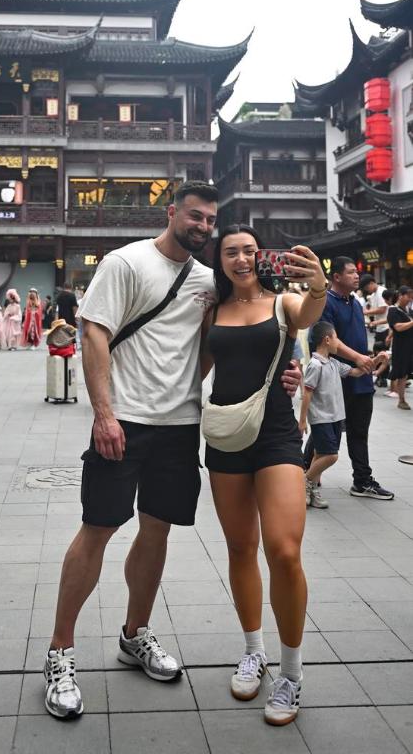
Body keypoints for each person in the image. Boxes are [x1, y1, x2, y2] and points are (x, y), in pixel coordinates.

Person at [42, 183, 301, 722]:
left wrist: (285, 372)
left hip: (181, 425)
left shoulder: (209, 281)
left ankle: (134, 634)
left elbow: (228, 341)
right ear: (172, 213)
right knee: (98, 529)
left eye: (210, 220)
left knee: (156, 530)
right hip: (124, 421)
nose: (203, 226)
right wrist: (104, 413)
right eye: (194, 216)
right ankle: (60, 652)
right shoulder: (126, 262)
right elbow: (94, 335)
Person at [200, 226, 327, 726]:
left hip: (275, 434)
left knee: (284, 550)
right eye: (230, 252)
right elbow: (197, 368)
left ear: (260, 256)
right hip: (226, 436)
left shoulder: (282, 304)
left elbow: (308, 313)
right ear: (220, 260)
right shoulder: (213, 310)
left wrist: (317, 284)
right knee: (239, 548)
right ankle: (254, 650)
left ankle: (291, 673)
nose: (241, 259)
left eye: (249, 251)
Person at [307, 256, 394, 499]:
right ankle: (305, 473)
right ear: (336, 277)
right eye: (351, 272)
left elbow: (356, 338)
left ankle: (362, 481)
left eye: (356, 272)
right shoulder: (326, 302)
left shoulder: (354, 302)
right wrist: (357, 358)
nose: (357, 276)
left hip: (361, 378)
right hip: (336, 378)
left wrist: (372, 358)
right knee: (325, 429)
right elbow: (330, 341)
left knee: (359, 431)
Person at [299, 321, 380, 509]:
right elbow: (307, 393)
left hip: (335, 417)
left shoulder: (334, 363)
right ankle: (304, 481)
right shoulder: (315, 365)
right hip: (321, 418)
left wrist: (377, 360)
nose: (338, 342)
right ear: (327, 340)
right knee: (331, 456)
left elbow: (356, 372)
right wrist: (302, 420)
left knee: (319, 455)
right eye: (336, 338)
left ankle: (311, 491)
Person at [387, 286, 413, 411]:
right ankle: (401, 400)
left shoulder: (408, 310)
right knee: (402, 373)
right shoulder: (393, 310)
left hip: (410, 344)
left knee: (406, 373)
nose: (410, 299)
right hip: (402, 347)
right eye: (408, 296)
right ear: (400, 296)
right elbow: (398, 327)